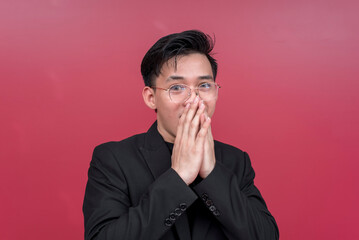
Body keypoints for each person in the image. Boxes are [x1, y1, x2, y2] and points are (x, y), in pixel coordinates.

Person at [83, 30, 279, 240]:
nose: (193, 99)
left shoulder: (236, 161)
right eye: (177, 87)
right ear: (151, 97)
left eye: (204, 85)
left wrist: (212, 173)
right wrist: (178, 177)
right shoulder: (114, 159)